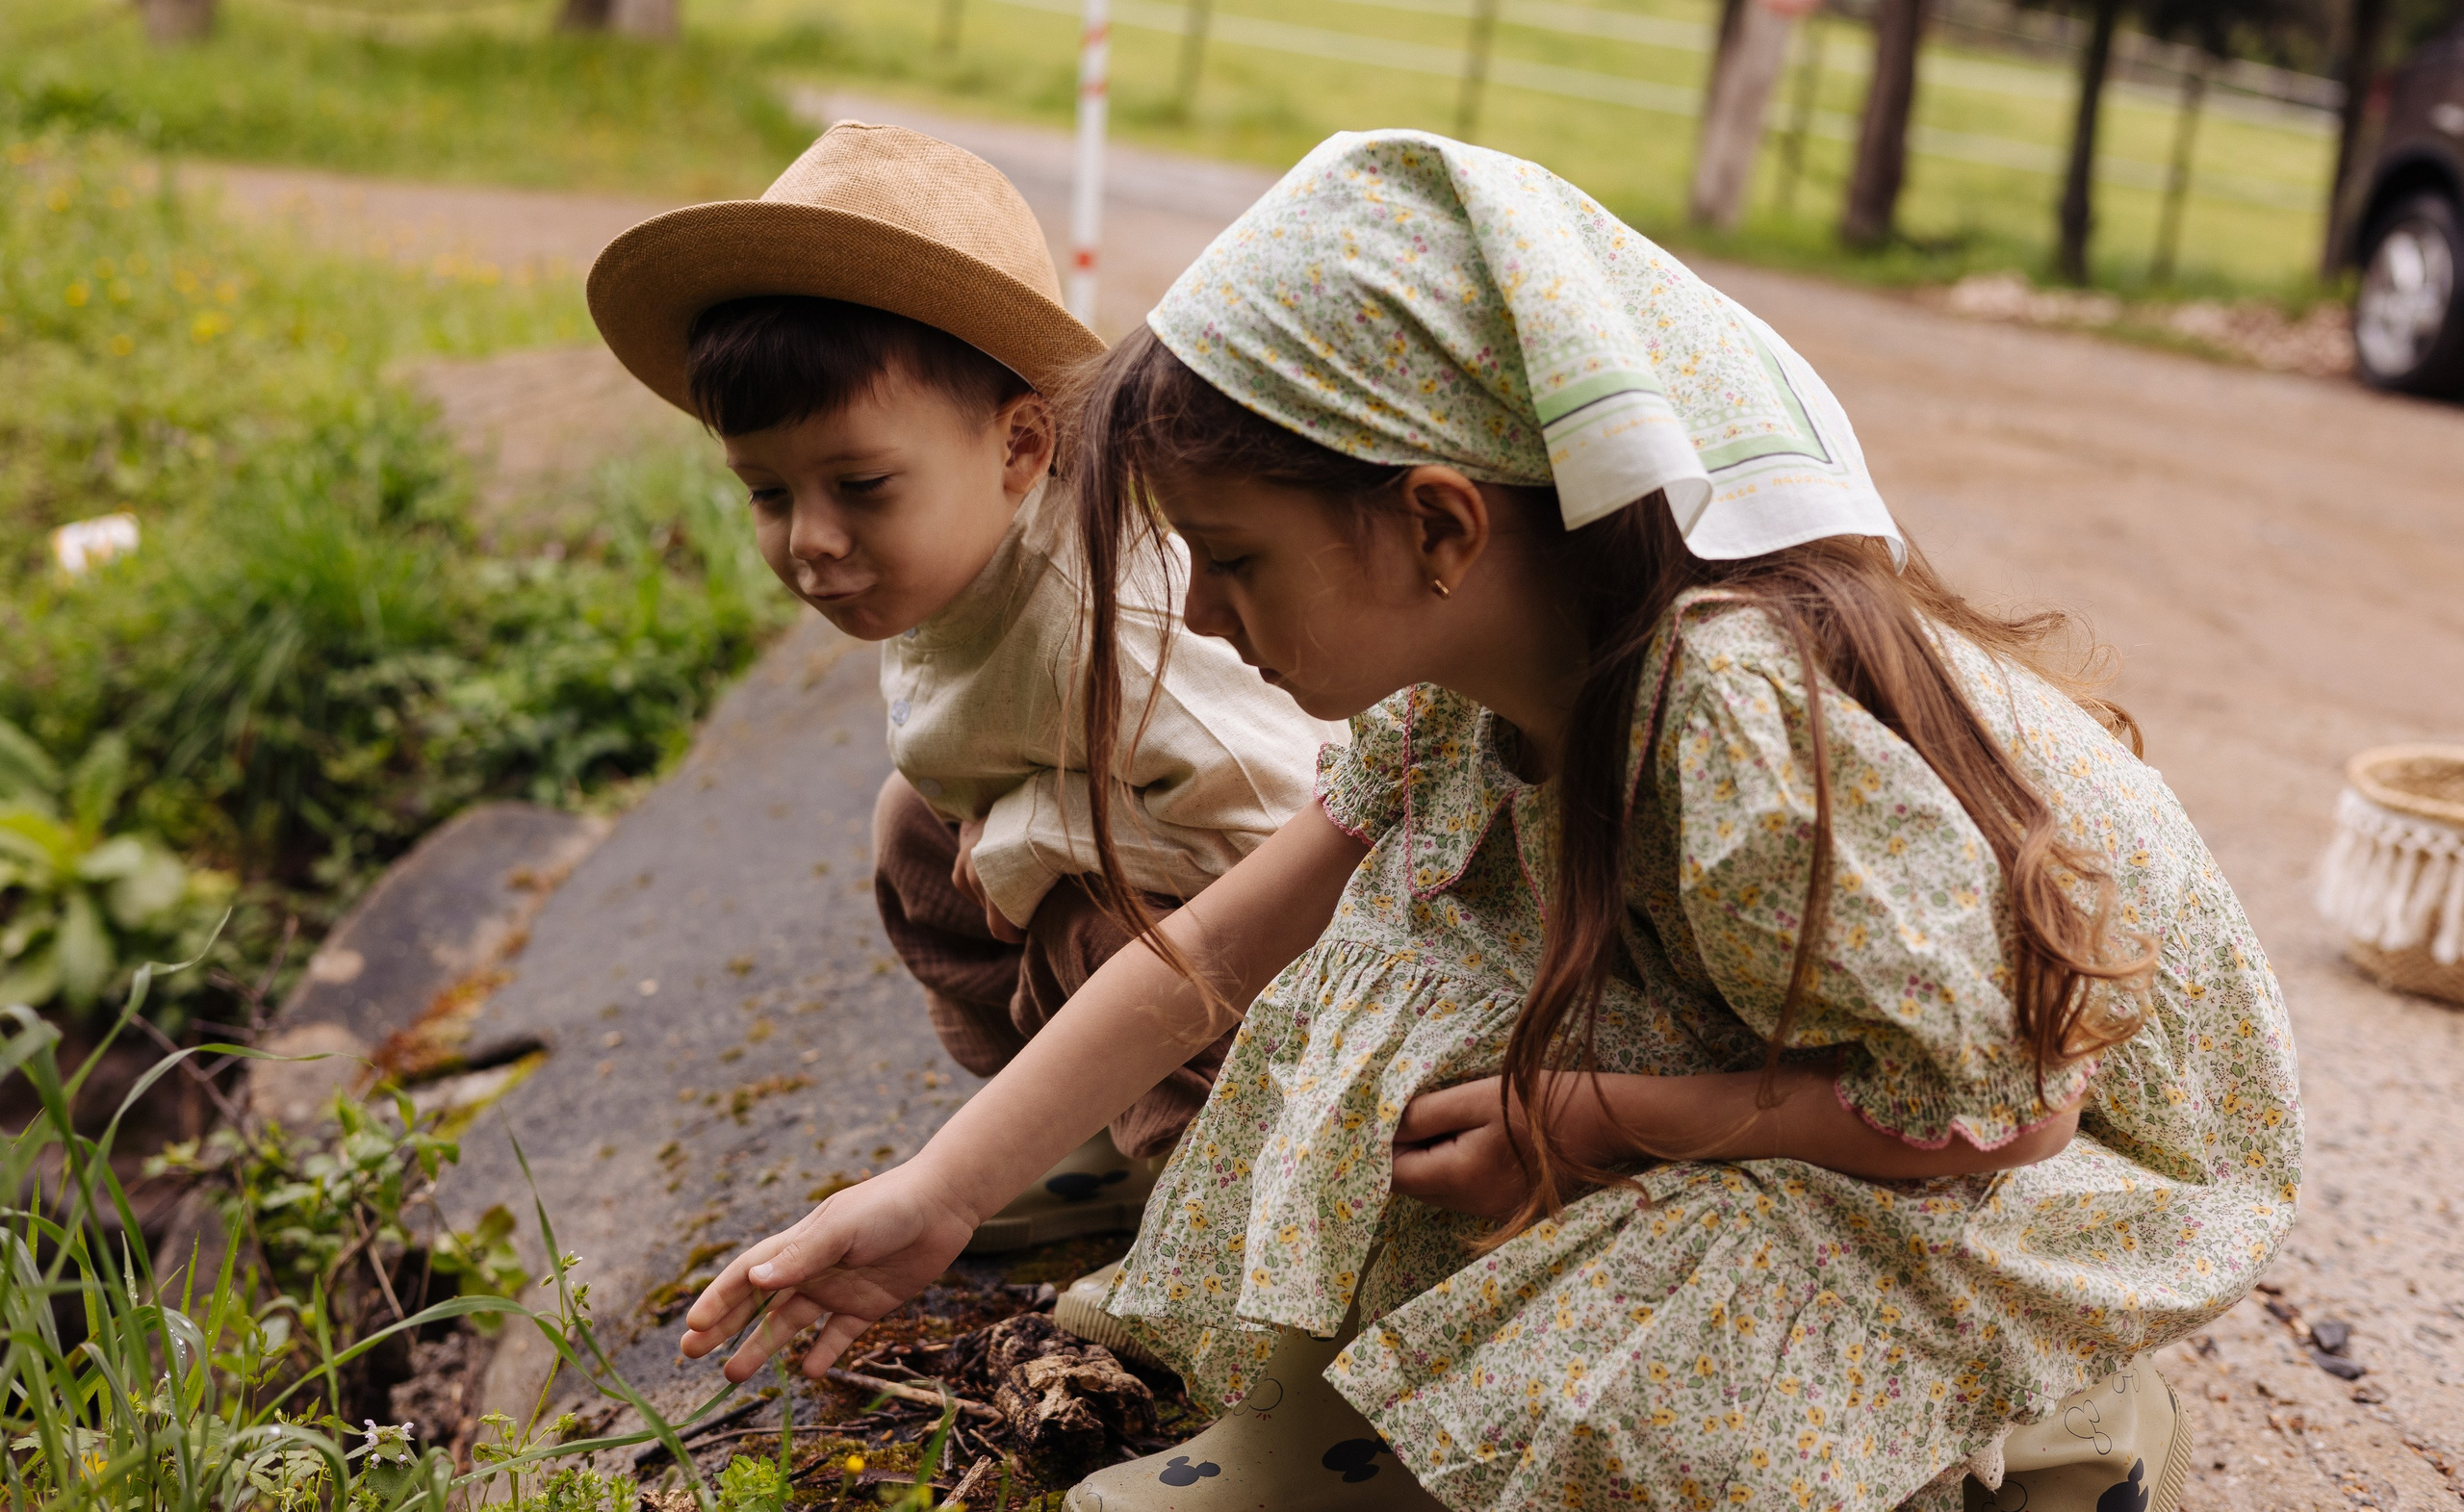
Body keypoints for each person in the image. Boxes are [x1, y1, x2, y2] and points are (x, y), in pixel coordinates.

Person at [677, 132, 2301, 1512]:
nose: (1209, 614)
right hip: (1802, 1061)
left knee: (1628, 1367)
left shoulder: (1734, 715)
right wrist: (944, 1188)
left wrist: (1599, 1115)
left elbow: (2005, 1112)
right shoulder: (1466, 688)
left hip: (2036, 1146)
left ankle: (2065, 1426)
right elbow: (1214, 951)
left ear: (1440, 524)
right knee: (1398, 1079)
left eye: (1234, 560)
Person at [585, 120, 1343, 1251]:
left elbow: (1296, 838)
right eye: (768, 493)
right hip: (1164, 865)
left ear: (1021, 448)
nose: (810, 541)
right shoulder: (962, 559)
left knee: (1100, 930)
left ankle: (1235, 1228)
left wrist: (1039, 833)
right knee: (915, 835)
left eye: (861, 485)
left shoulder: (1120, 635)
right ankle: (1085, 1124)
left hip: (1308, 977)